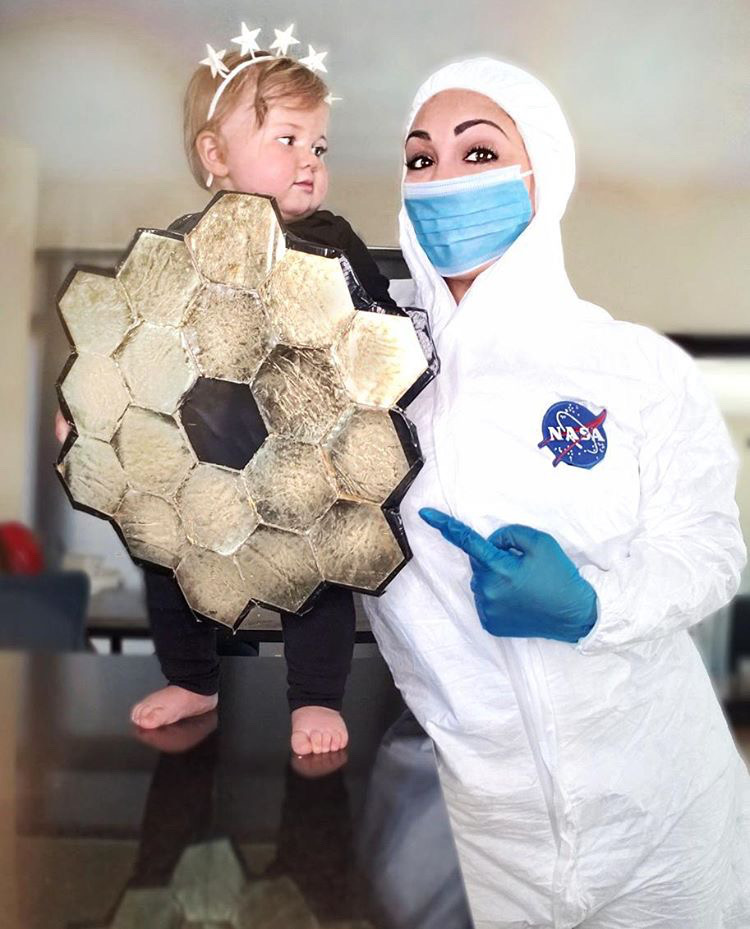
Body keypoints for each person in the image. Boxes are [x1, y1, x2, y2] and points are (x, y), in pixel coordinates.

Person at [362, 57, 750, 928]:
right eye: (420, 160)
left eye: (479, 152)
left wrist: (590, 605)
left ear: (544, 171)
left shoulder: (636, 366)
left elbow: (712, 548)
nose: (444, 181)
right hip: (484, 838)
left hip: (665, 815)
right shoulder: (368, 368)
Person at [56, 45, 396, 757]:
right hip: (198, 455)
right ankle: (193, 678)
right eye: (288, 139)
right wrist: (88, 418)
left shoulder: (330, 240)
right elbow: (125, 340)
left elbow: (387, 333)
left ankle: (314, 697)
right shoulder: (182, 245)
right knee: (165, 557)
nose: (311, 159)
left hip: (307, 458)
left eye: (319, 144)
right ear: (216, 154)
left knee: (318, 574)